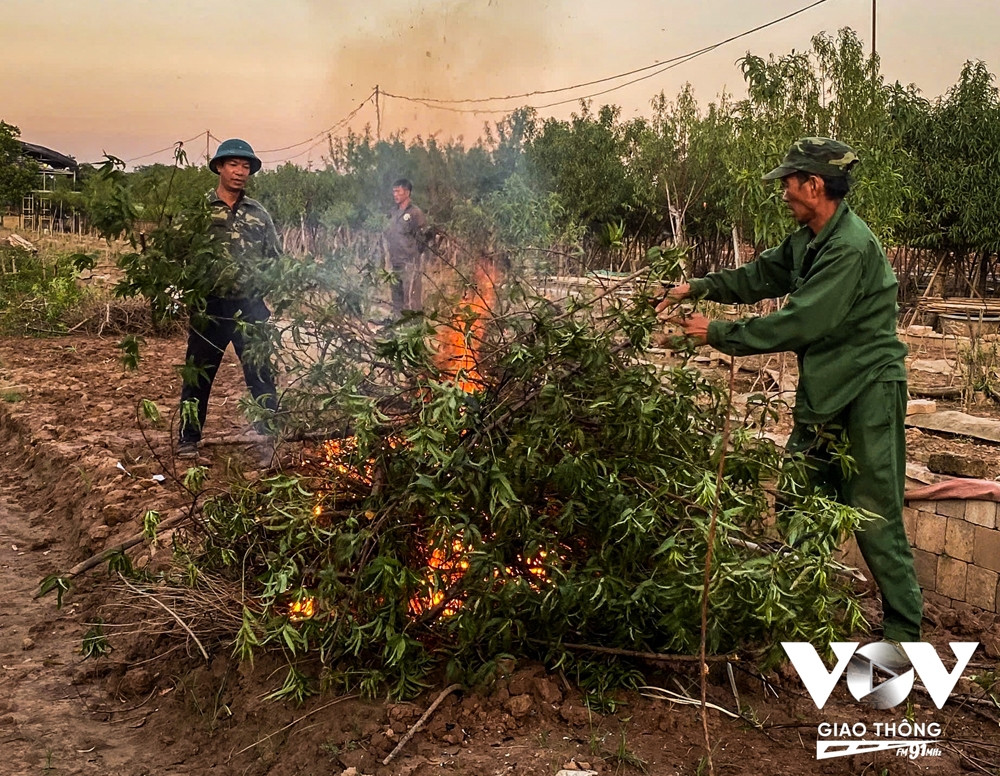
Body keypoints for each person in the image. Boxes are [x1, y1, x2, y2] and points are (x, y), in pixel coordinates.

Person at [658, 137, 923, 643]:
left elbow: (799, 322)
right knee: (799, 496)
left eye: (788, 184)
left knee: (872, 510)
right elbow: (761, 275)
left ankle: (904, 632)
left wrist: (716, 332)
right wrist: (697, 287)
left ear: (814, 185)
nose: (783, 194)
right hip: (827, 387)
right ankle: (801, 604)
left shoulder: (849, 247)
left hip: (867, 389)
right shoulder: (808, 240)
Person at [177, 138, 279, 456]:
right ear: (219, 167)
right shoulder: (197, 212)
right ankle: (188, 439)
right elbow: (179, 255)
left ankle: (271, 438)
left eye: (245, 166)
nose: (239, 172)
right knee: (198, 374)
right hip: (210, 306)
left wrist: (265, 292)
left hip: (249, 306)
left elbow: (275, 259)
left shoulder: (259, 215)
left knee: (260, 372)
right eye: (233, 164)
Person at [385, 178, 428, 317]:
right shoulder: (393, 212)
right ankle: (398, 329)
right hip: (395, 262)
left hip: (410, 263)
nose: (395, 195)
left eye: (398, 191)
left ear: (407, 192)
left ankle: (414, 329)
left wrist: (414, 255)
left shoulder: (416, 213)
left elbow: (423, 238)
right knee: (397, 299)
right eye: (394, 192)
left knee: (411, 299)